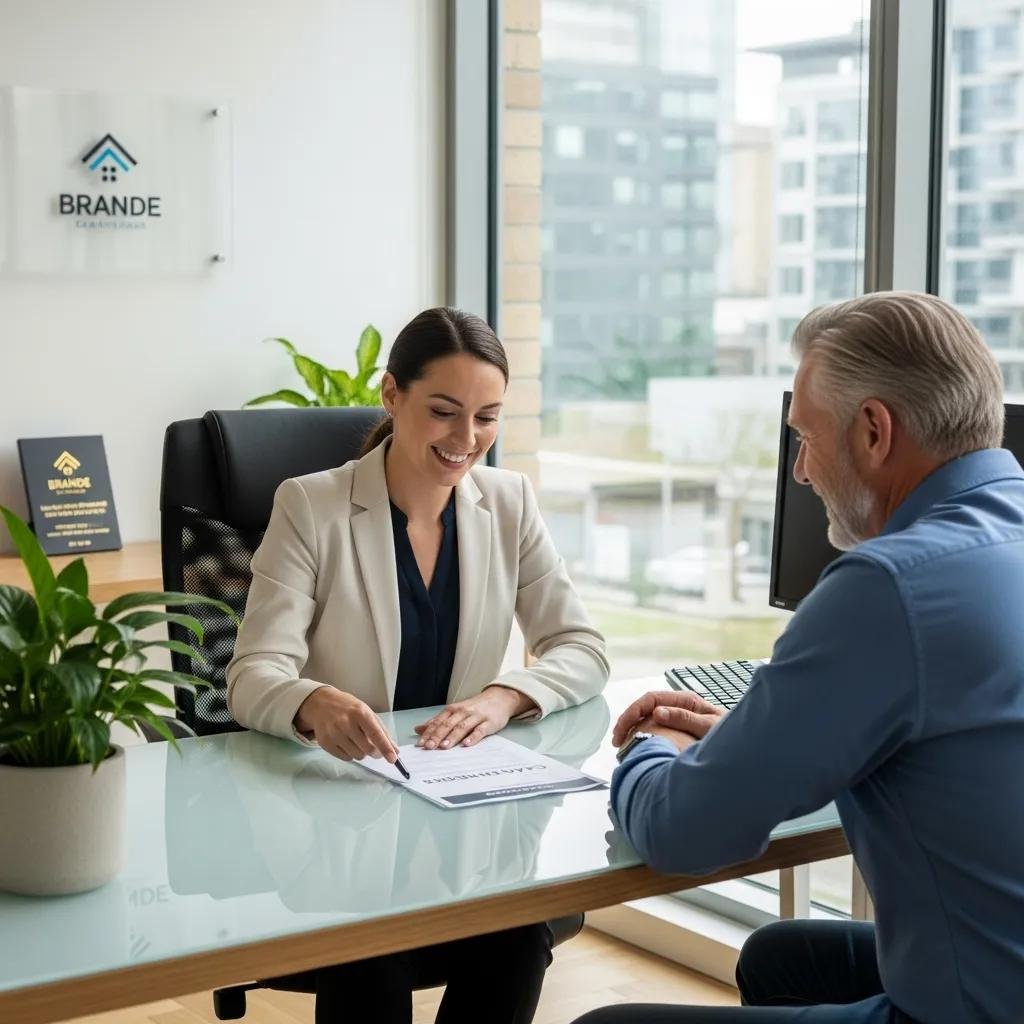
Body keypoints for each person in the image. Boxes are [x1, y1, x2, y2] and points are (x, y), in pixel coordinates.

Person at [574, 292, 1024, 1024]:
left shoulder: (889, 586)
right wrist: (753, 738)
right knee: (782, 957)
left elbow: (684, 834)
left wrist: (652, 751)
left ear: (874, 431)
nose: (802, 473)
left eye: (804, 440)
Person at [227, 306, 609, 1024]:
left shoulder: (508, 502)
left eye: (487, 417)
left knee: (518, 940)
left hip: (463, 820)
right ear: (391, 395)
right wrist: (311, 703)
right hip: (340, 818)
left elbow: (582, 648)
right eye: (444, 412)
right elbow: (251, 676)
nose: (467, 440)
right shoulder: (312, 507)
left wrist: (505, 696)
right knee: (367, 957)